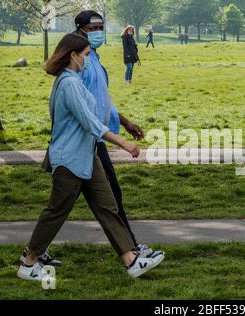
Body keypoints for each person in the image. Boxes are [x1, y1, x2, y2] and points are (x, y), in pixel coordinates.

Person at [17, 34, 164, 281]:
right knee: (57, 210)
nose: (88, 58)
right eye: (86, 54)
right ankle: (30, 262)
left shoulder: (73, 80)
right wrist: (124, 143)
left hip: (88, 155)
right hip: (70, 158)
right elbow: (90, 122)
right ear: (73, 55)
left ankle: (132, 260)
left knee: (108, 207)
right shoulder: (69, 84)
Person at [73, 11, 159, 260]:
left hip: (95, 138)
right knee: (102, 198)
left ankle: (130, 249)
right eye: (92, 28)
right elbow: (79, 104)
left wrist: (125, 122)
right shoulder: (80, 62)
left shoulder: (94, 57)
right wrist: (118, 139)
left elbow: (102, 100)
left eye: (101, 27)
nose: (98, 31)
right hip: (85, 140)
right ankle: (131, 250)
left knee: (68, 204)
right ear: (80, 29)